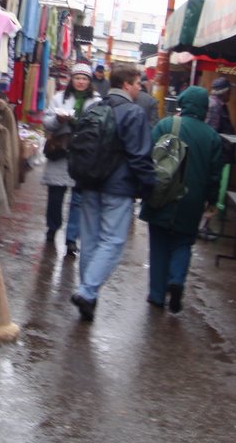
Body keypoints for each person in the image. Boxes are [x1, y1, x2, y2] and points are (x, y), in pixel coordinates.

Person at [70, 63, 156, 322]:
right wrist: (149, 185)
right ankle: (86, 291)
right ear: (126, 85)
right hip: (118, 188)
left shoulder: (95, 108)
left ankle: (90, 296)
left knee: (91, 241)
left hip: (90, 183)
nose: (140, 88)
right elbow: (140, 155)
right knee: (113, 241)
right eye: (137, 83)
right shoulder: (134, 113)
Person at [140, 85, 223, 313]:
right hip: (192, 199)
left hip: (162, 193)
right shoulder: (212, 137)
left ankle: (157, 295)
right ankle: (176, 280)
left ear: (183, 104)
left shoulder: (166, 125)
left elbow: (148, 157)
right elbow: (215, 175)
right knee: (183, 242)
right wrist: (212, 200)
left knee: (158, 244)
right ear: (205, 109)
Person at [41, 63, 101, 257]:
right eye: (77, 78)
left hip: (83, 156)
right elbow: (47, 124)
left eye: (84, 79)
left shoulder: (97, 102)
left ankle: (71, 239)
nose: (81, 82)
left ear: (89, 81)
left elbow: (100, 127)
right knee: (55, 197)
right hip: (61, 153)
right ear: (71, 79)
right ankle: (53, 227)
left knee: (78, 200)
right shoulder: (59, 98)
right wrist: (59, 120)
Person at [198, 76, 236, 241]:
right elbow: (211, 133)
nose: (231, 94)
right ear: (225, 91)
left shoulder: (217, 105)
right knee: (211, 192)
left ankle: (203, 226)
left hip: (217, 156)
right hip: (215, 157)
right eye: (230, 90)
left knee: (212, 192)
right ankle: (202, 227)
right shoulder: (215, 107)